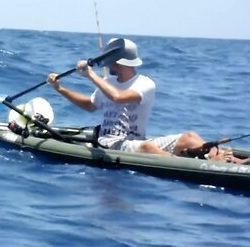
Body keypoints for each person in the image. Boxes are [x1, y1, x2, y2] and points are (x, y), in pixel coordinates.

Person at [47, 38, 248, 164]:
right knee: (148, 149)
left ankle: (226, 159)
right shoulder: (106, 82)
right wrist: (60, 88)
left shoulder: (145, 84)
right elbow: (90, 105)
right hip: (112, 143)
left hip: (136, 140)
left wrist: (91, 75)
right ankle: (211, 165)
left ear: (117, 62)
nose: (106, 64)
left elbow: (118, 98)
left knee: (190, 137)